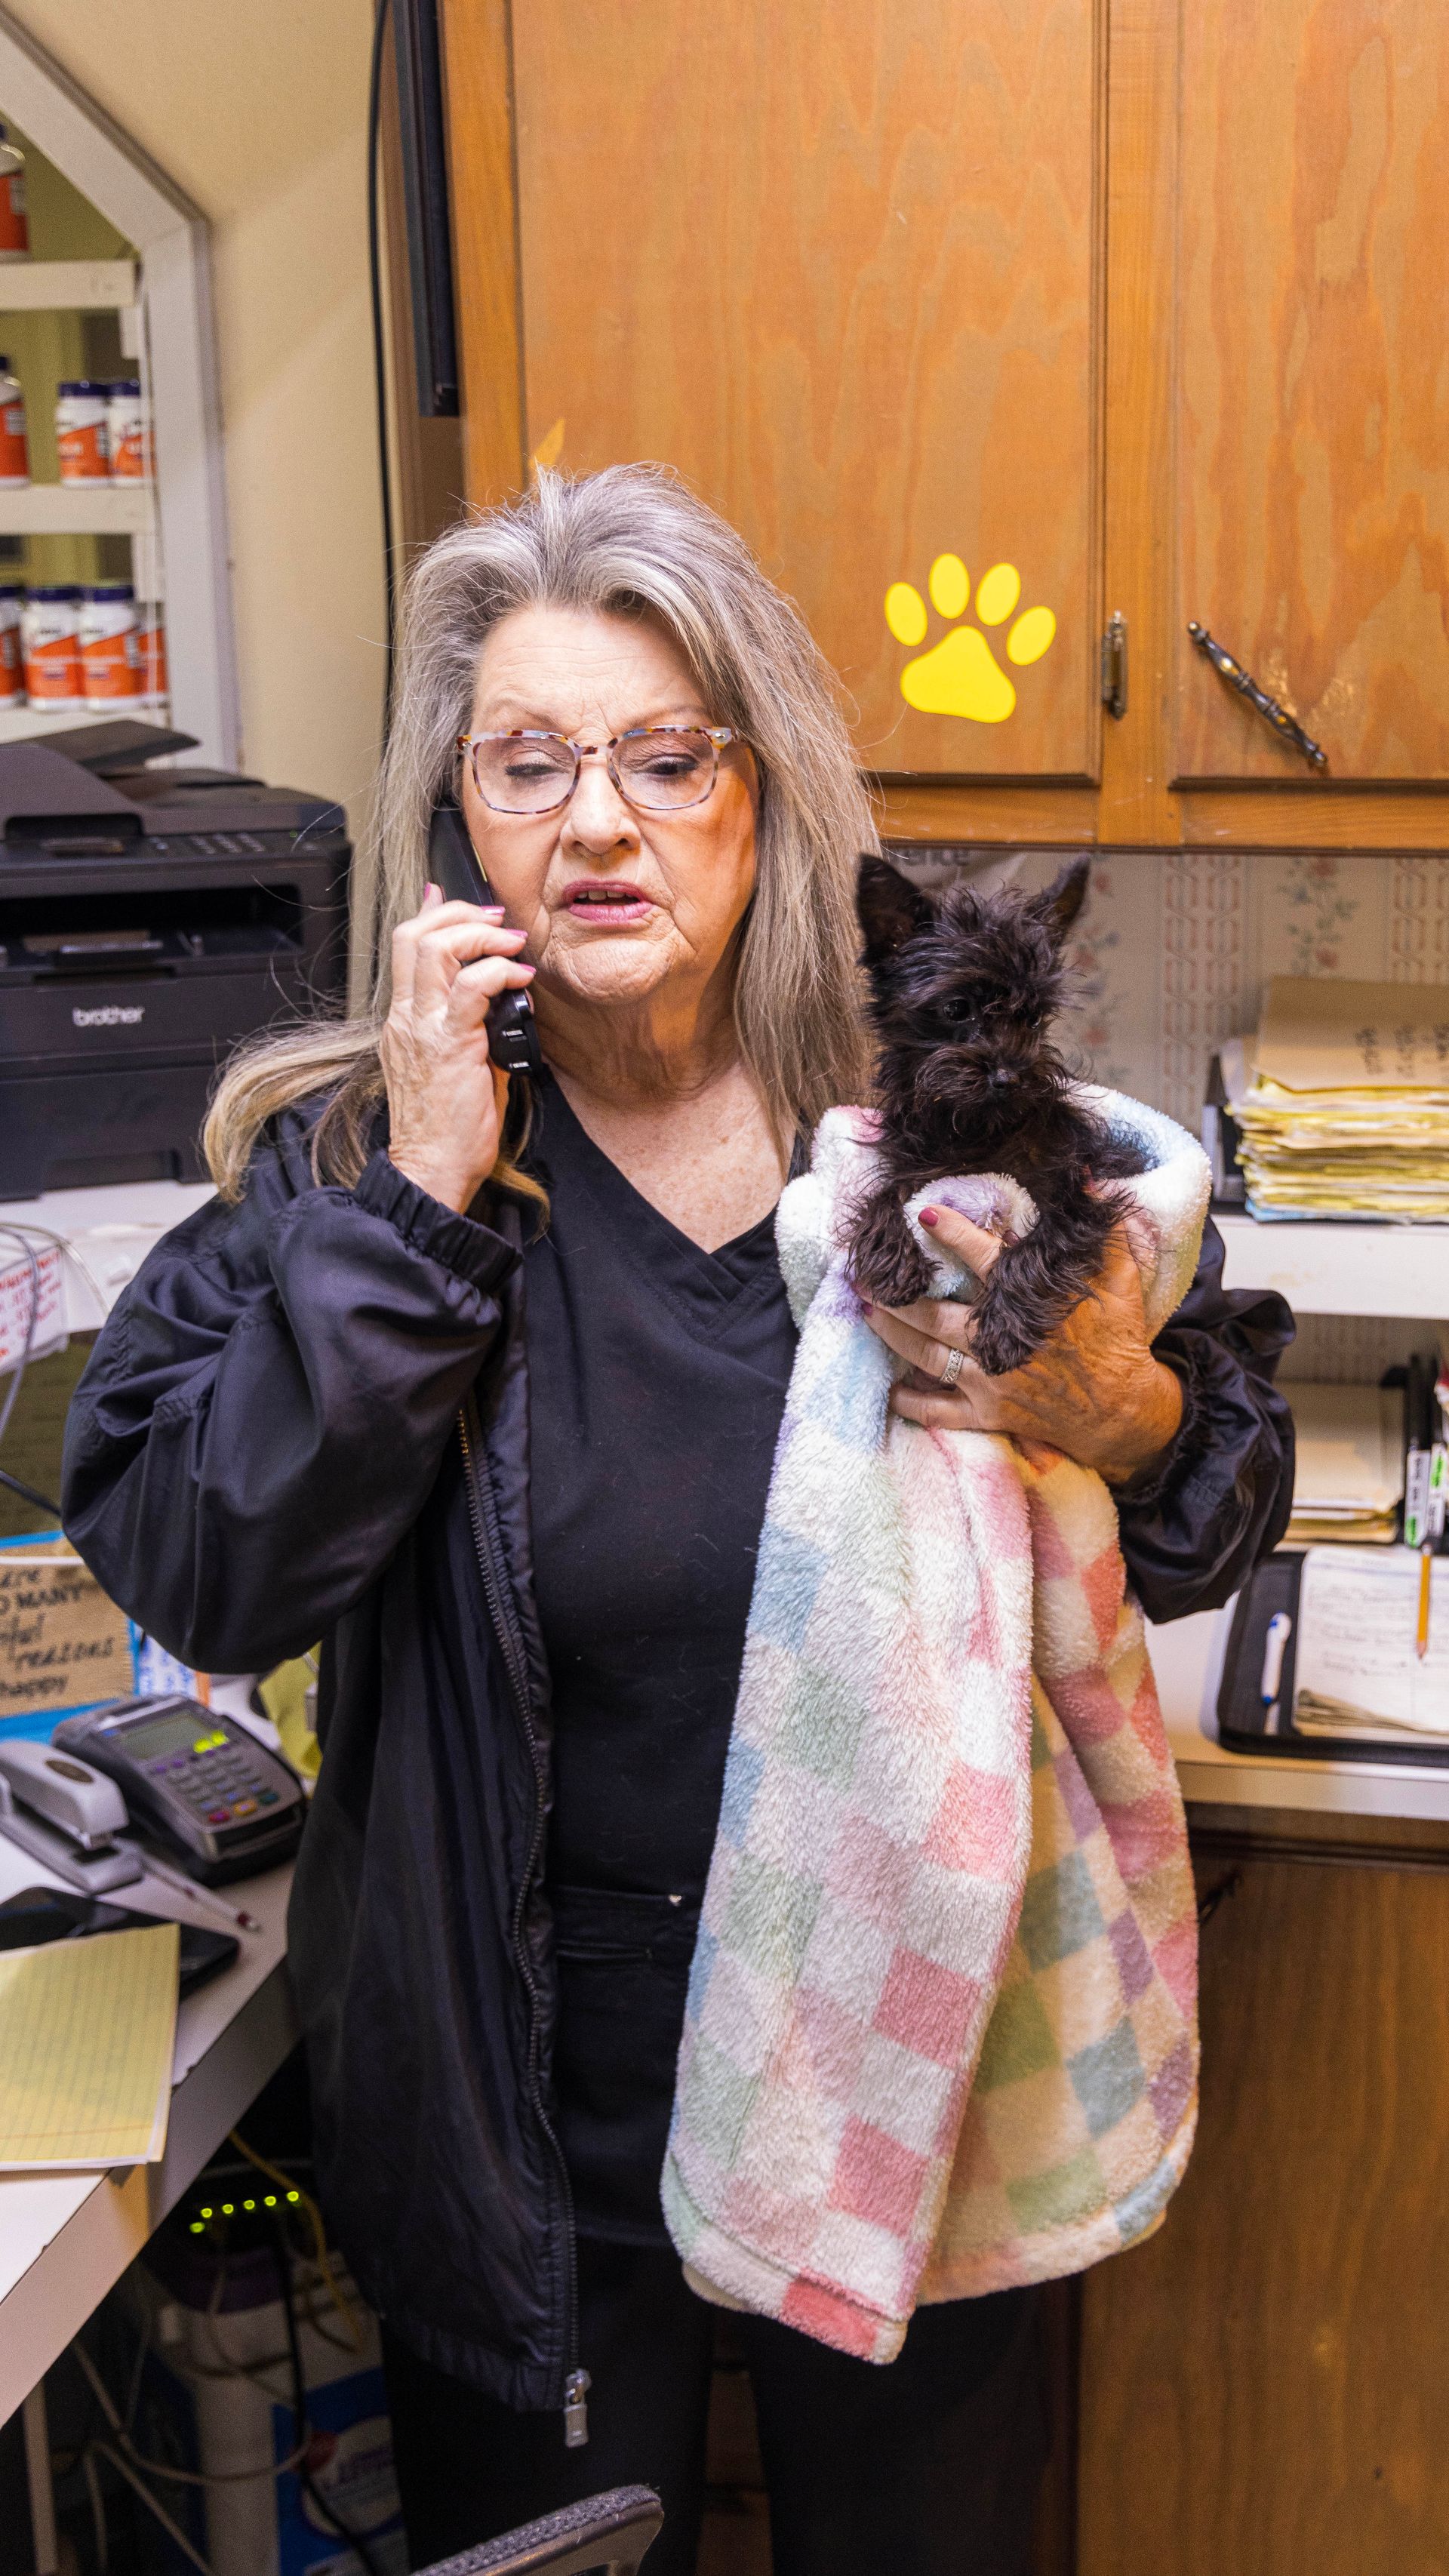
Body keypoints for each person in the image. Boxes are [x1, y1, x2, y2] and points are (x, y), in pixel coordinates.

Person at [62, 466, 1293, 2576]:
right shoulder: (364, 1157)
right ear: (458, 817)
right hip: (538, 2158)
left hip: (917, 2111)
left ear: (761, 786)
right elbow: (197, 1553)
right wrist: (416, 1207)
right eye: (529, 763)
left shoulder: (922, 1108)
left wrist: (1118, 1402)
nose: (600, 823)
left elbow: (1214, 1490)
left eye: (663, 755)